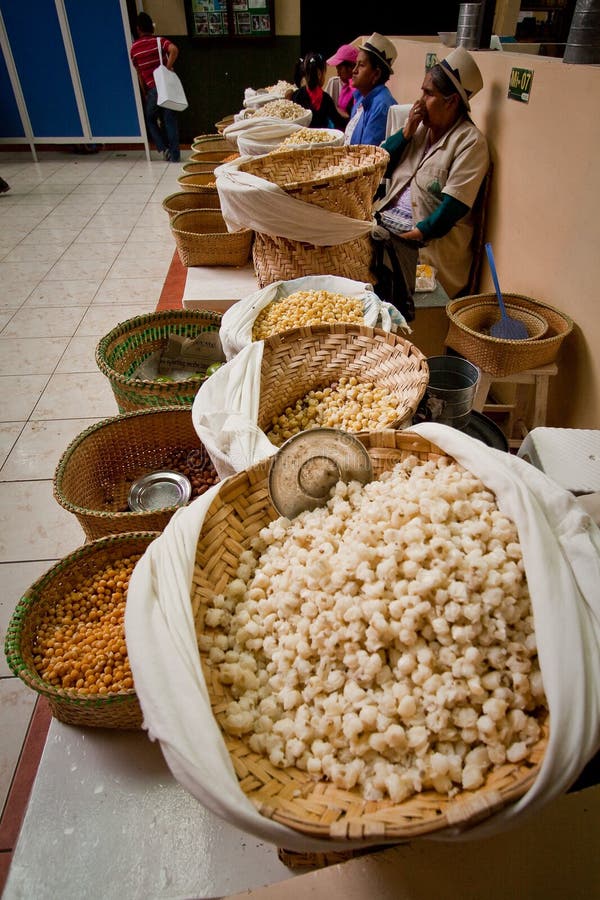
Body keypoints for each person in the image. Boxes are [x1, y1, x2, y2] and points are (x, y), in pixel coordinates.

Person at [373, 47, 490, 306]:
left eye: (428, 94)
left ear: (451, 102)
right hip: (387, 229)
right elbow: (379, 164)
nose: (419, 101)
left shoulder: (470, 143)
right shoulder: (420, 130)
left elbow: (448, 213)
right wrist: (404, 134)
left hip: (422, 250)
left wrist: (397, 244)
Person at [130, 12, 181, 162]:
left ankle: (163, 148)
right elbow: (174, 50)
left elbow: (139, 73)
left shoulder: (134, 49)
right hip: (166, 87)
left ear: (138, 29)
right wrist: (167, 68)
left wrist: (144, 92)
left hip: (152, 90)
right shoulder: (159, 41)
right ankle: (175, 155)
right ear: (151, 27)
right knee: (169, 120)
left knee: (151, 120)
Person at [344, 32, 397, 147]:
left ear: (376, 74)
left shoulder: (381, 106)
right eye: (355, 64)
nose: (354, 70)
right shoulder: (360, 98)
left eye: (361, 65)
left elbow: (366, 155)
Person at [289, 52, 347, 131]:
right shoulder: (326, 99)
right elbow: (338, 121)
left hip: (298, 139)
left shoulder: (296, 95)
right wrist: (350, 118)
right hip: (321, 140)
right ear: (319, 74)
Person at [325, 43, 359, 125]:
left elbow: (353, 119)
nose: (338, 74)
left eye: (340, 69)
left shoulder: (358, 90)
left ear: (351, 67)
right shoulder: (346, 87)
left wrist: (333, 109)